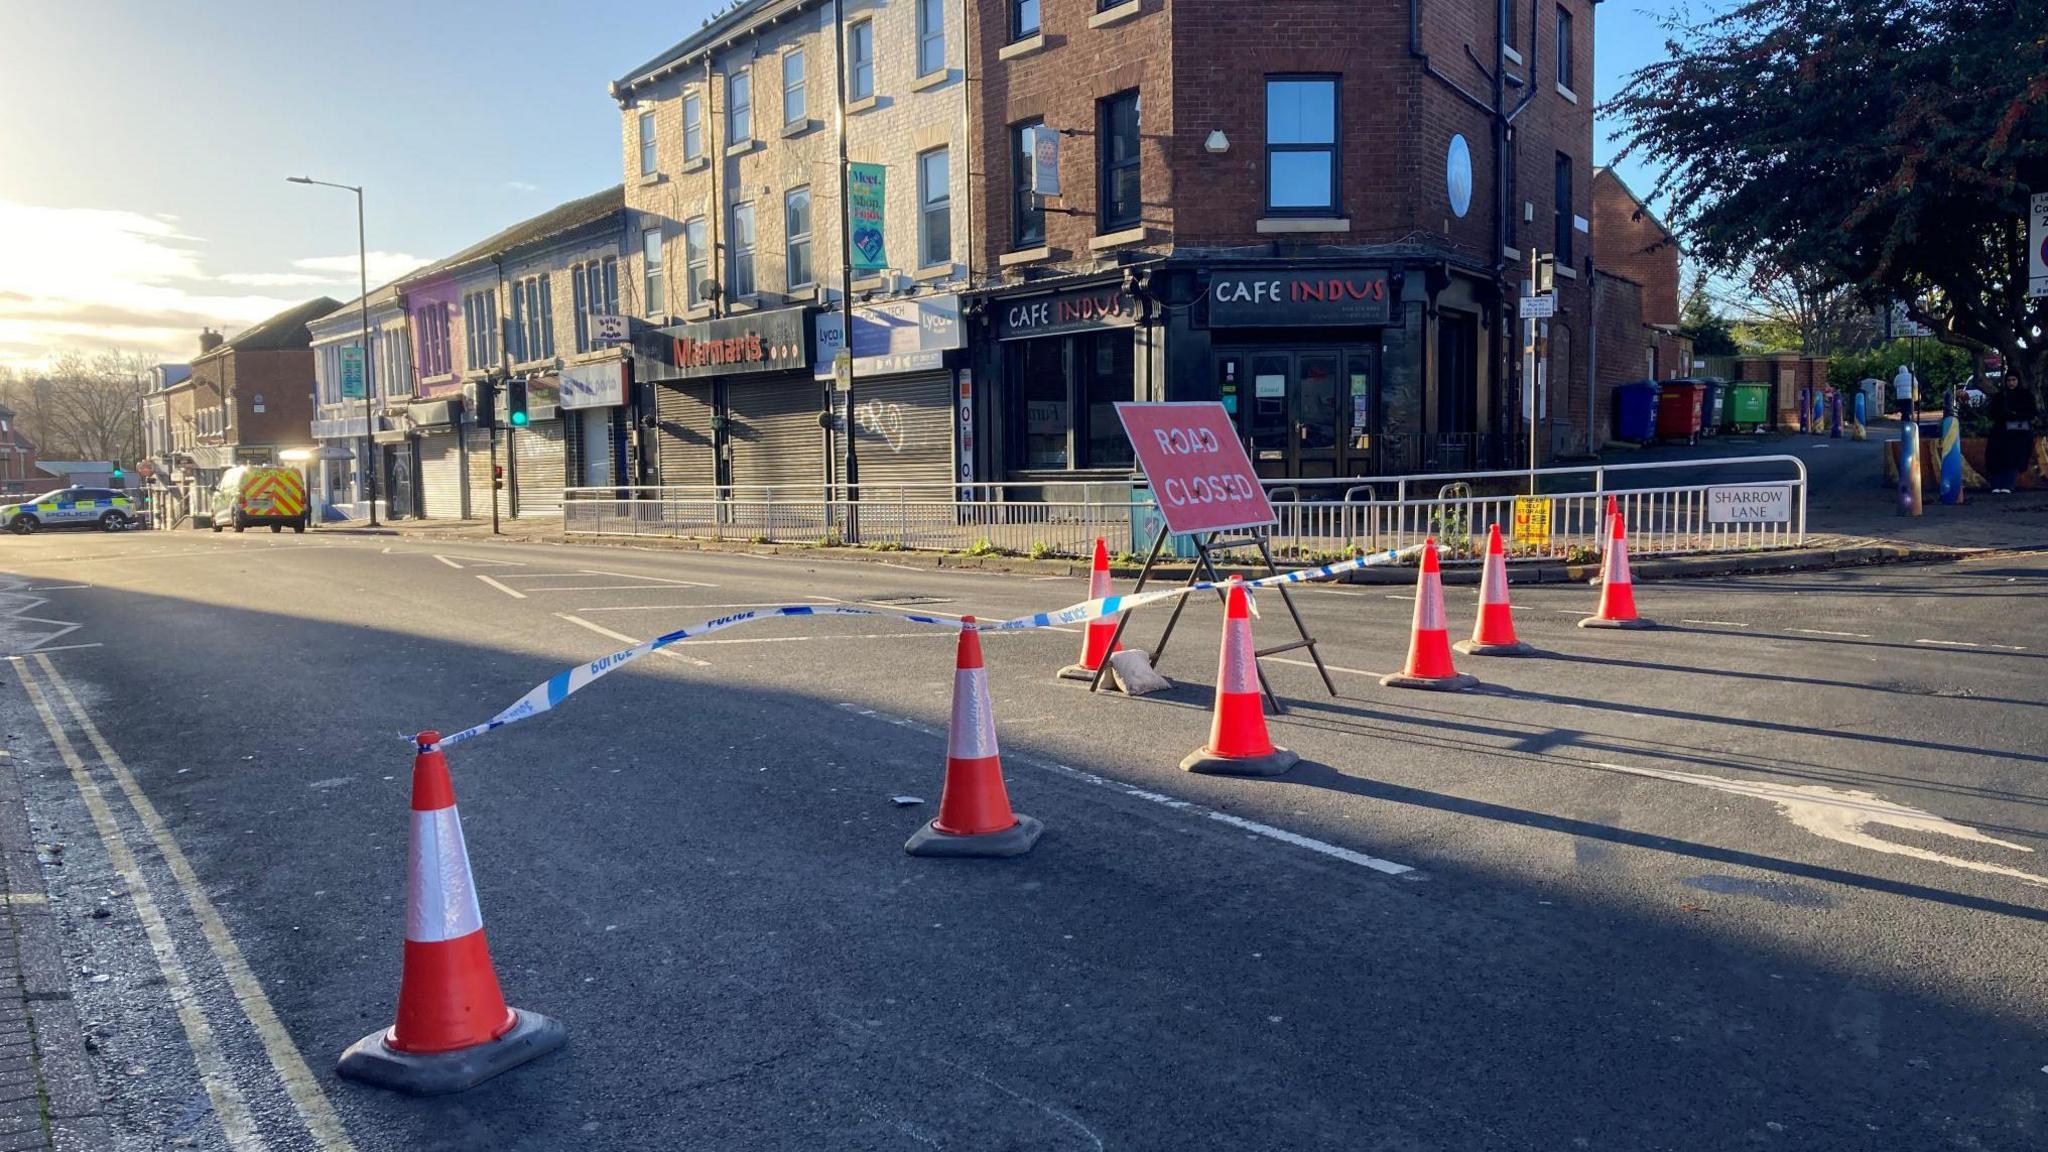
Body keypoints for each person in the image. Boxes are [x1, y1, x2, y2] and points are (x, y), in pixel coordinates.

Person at [1986, 377, 2038, 493]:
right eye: (2009, 380)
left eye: (2014, 380)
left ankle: (2008, 485)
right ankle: (1996, 485)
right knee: (1997, 457)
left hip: (2018, 433)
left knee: (2013, 458)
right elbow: (1993, 413)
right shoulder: (2000, 396)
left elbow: (2031, 412)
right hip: (2000, 431)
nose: (2011, 383)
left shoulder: (2025, 395)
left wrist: (2016, 414)